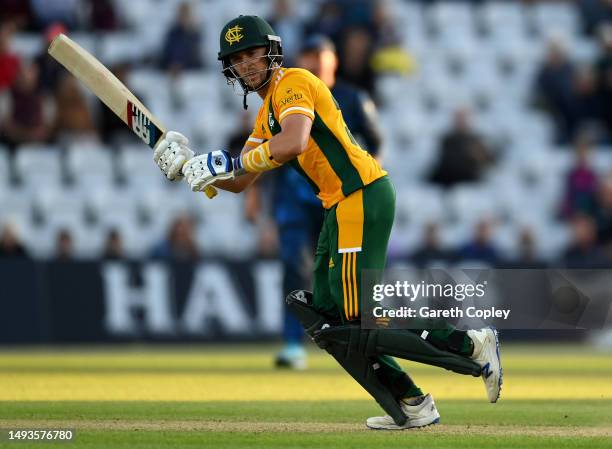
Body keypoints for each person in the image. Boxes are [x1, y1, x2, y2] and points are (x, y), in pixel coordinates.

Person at [151, 15, 502, 429]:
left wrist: (226, 161)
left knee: (359, 319)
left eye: (252, 53)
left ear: (271, 51)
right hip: (338, 208)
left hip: (362, 196)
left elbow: (294, 141)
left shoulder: (294, 82)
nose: (246, 64)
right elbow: (241, 180)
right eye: (237, 58)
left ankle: (473, 345)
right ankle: (411, 402)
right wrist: (194, 169)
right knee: (329, 320)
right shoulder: (266, 113)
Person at [247, 34, 384, 369]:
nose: (316, 61)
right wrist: (253, 195)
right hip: (296, 200)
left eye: (322, 55)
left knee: (348, 280)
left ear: (334, 61)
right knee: (294, 270)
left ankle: (367, 341)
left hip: (341, 198)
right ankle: (294, 344)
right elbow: (269, 151)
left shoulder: (352, 98)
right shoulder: (283, 98)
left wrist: (365, 184)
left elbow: (375, 142)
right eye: (310, 55)